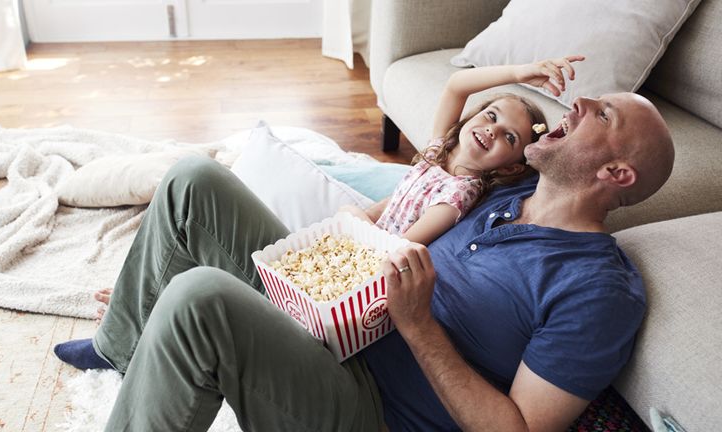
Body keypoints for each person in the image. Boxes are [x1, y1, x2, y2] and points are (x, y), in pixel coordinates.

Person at [54, 82, 674, 431]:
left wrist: (419, 325)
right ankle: (121, 348)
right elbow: (460, 119)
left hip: (372, 407)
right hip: (331, 318)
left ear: (617, 172)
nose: (578, 104)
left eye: (602, 114)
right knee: (194, 179)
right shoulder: (508, 188)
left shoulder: (598, 289)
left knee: (199, 297)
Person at [341, 58, 588, 245]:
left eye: (509, 137)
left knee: (345, 211)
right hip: (364, 241)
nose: (492, 130)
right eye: (491, 116)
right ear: (473, 116)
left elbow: (399, 248)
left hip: (377, 264)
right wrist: (518, 73)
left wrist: (355, 217)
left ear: (510, 167)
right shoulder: (439, 150)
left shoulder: (459, 195)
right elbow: (456, 86)